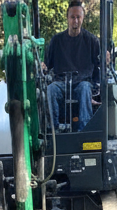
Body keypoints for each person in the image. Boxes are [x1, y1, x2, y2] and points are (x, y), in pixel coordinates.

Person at [43, 1, 100, 132]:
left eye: (78, 17)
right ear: (67, 18)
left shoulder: (92, 41)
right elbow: (47, 65)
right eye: (72, 17)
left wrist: (96, 89)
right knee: (51, 89)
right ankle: (54, 129)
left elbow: (99, 67)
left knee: (85, 88)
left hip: (82, 84)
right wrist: (43, 66)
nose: (75, 21)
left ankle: (84, 131)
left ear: (83, 18)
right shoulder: (56, 41)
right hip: (61, 83)